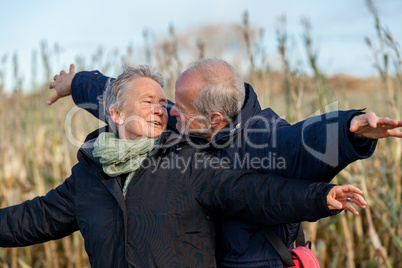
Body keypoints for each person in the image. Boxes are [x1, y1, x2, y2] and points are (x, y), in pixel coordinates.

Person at [1, 65, 367, 267]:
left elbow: (258, 189)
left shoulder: (190, 159)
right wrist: (74, 82)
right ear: (114, 113)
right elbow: (35, 219)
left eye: (168, 104)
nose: (163, 111)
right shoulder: (88, 174)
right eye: (151, 102)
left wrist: (323, 191)